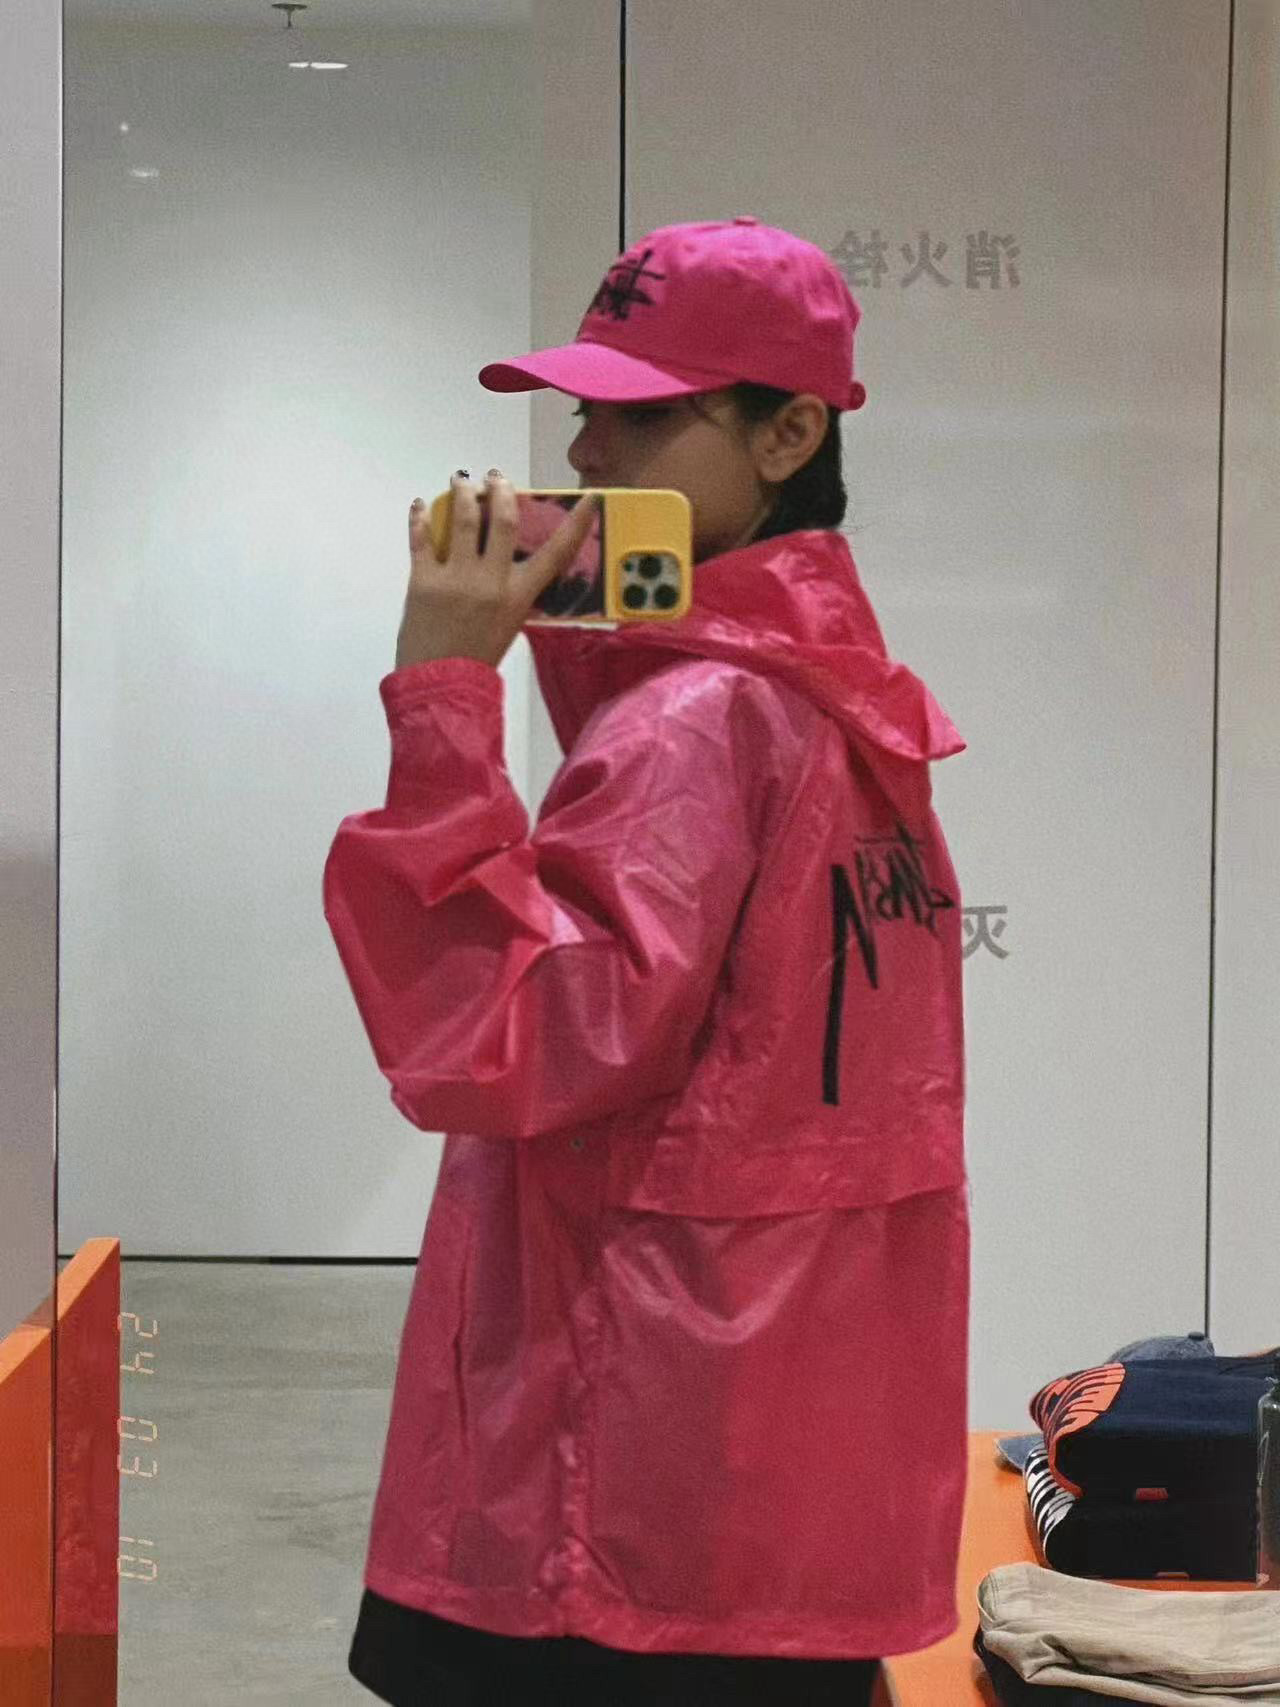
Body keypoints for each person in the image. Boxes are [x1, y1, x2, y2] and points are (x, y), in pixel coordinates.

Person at [325, 217, 970, 1707]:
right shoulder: (848, 706)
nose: (585, 453)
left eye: (643, 416)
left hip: (612, 1494)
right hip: (773, 1466)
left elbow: (505, 1043)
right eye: (584, 410)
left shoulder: (697, 720)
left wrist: (441, 691)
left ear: (789, 434)